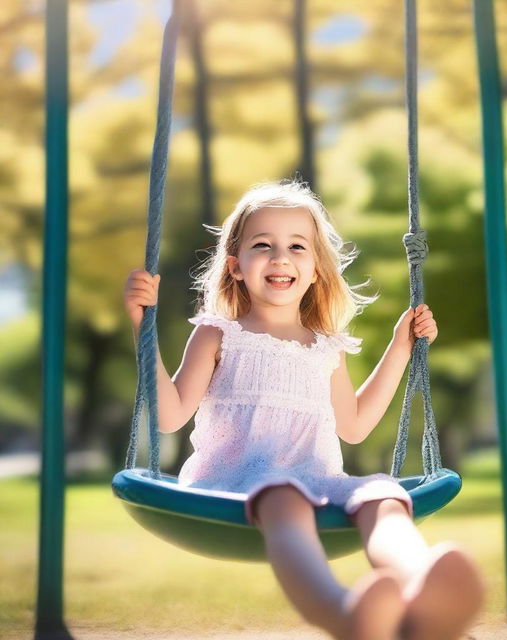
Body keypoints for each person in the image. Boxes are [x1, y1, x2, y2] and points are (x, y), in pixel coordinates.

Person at [124, 179, 484, 640]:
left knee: (384, 496)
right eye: (263, 245)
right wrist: (143, 330)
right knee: (285, 497)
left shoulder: (326, 349)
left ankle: (426, 596)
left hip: (316, 479)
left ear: (315, 269)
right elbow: (170, 416)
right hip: (232, 481)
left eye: (297, 246)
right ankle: (346, 615)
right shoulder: (218, 335)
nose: (280, 257)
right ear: (235, 266)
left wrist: (401, 346)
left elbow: (353, 426)